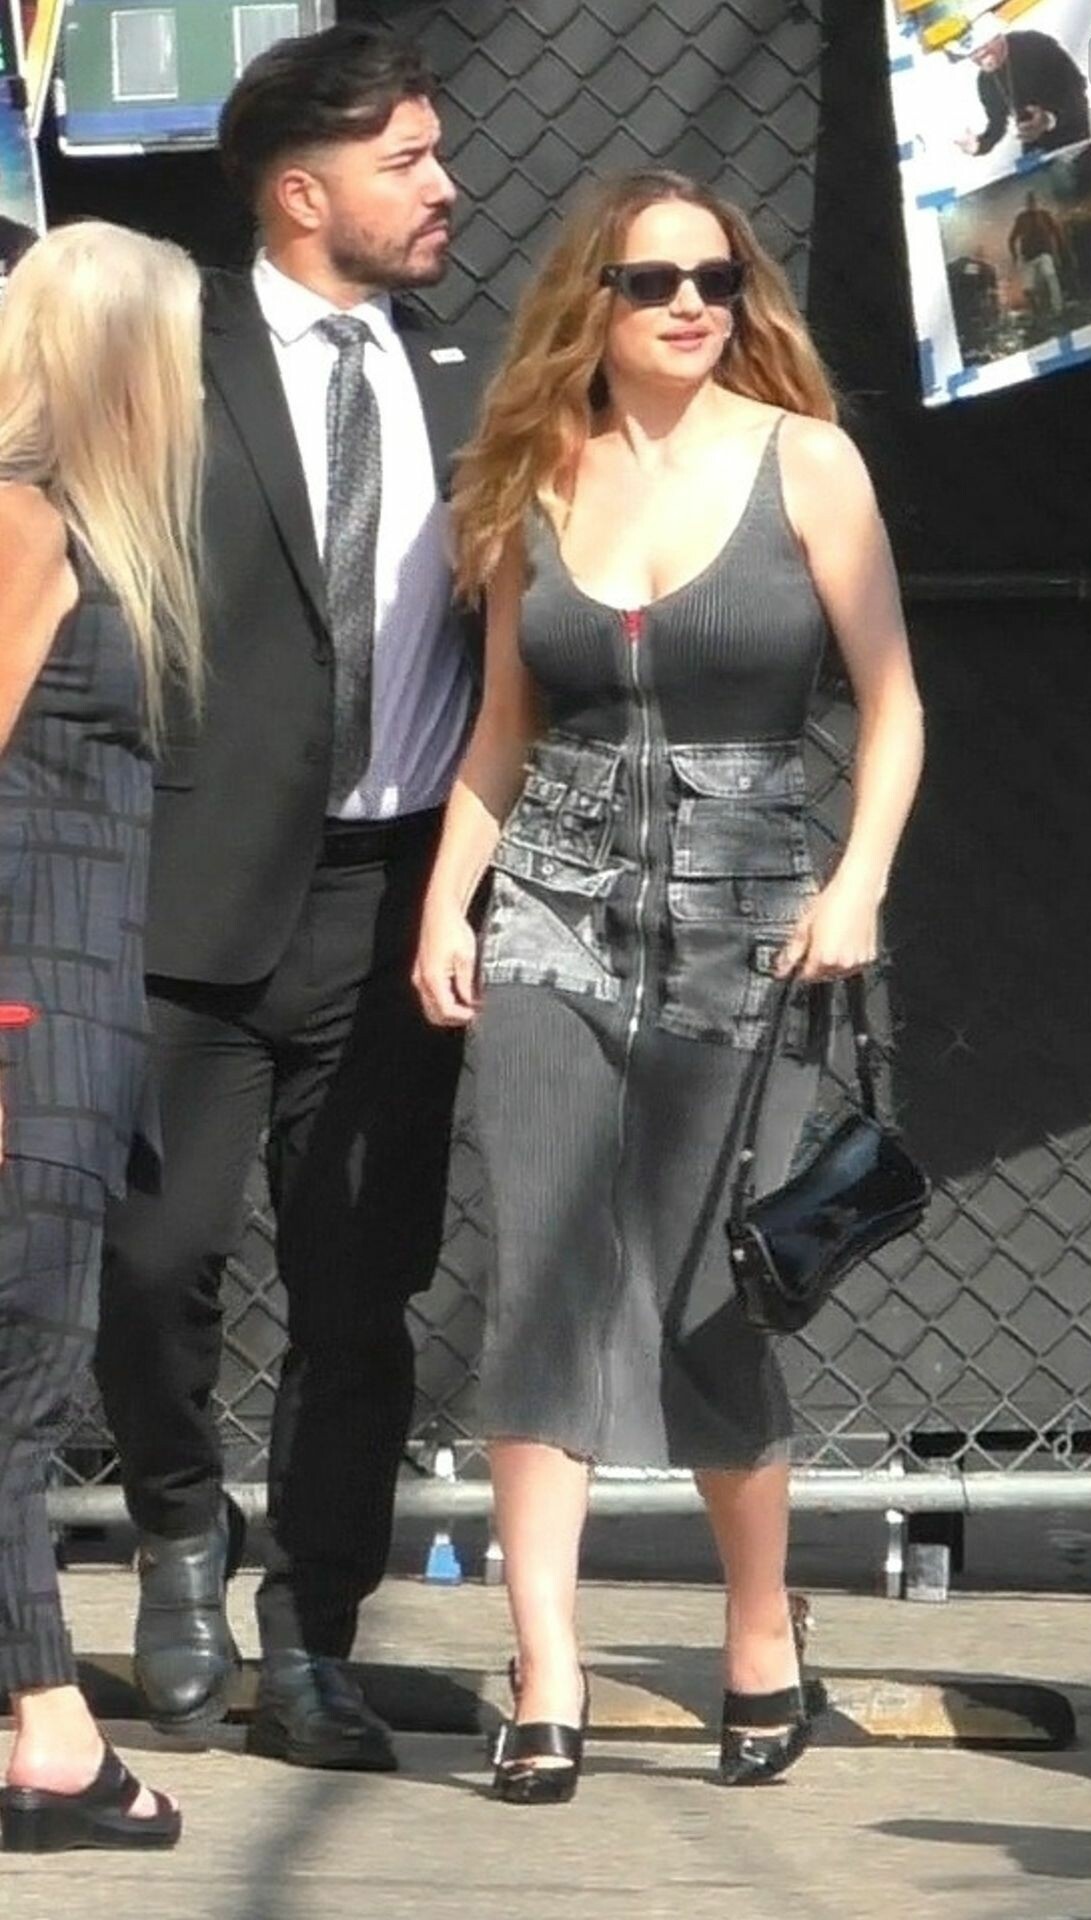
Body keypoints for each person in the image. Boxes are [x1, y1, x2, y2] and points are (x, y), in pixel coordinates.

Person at [415, 169, 924, 1803]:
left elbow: (893, 700)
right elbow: (502, 726)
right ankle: (546, 1669)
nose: (694, 303)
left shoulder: (806, 462)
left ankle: (760, 1630)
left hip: (749, 922)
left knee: (714, 1296)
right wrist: (448, 901)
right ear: (596, 302)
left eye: (716, 277)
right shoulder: (534, 474)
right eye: (655, 282)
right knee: (540, 1282)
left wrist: (858, 878)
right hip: (553, 909)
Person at [92, 23, 493, 1771]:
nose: (445, 186)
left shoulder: (469, 371)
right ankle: (179, 1528)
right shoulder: (168, 351)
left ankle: (313, 1628)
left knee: (358, 1290)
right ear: (300, 190)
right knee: (149, 1257)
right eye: (407, 160)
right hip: (183, 894)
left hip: (396, 904)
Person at [0, 221, 203, 1851]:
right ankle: (52, 1732)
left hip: (69, 1010)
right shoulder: (21, 522)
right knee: (15, 1388)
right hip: (23, 1015)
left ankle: (39, 1729)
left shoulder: (75, 530)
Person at [955, 17, 1090, 160]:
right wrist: (979, 145)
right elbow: (997, 124)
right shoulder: (985, 80)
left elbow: (1077, 86)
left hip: (1075, 136)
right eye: (973, 54)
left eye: (984, 48)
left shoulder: (1035, 44)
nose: (980, 57)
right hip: (1035, 151)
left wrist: (1048, 119)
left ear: (998, 37)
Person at [1008, 190, 1065, 327]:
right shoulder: (1022, 218)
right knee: (1028, 288)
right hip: (1028, 258)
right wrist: (1015, 256)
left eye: (1033, 201)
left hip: (1044, 253)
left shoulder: (1044, 215)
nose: (1032, 204)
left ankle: (1057, 308)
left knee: (1050, 276)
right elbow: (1012, 239)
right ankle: (1037, 312)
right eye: (1029, 202)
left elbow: (1057, 232)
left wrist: (1059, 252)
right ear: (1027, 203)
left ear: (1037, 202)